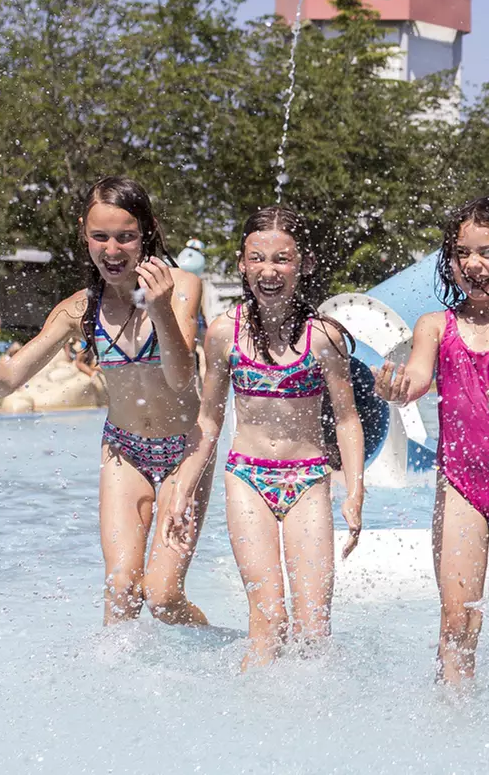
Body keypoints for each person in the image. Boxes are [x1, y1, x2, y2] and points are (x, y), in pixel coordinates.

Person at [0, 176, 210, 626]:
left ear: (146, 232)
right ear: (84, 236)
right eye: (100, 236)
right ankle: (113, 685)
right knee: (122, 588)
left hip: (184, 450)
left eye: (126, 237)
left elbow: (182, 377)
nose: (112, 249)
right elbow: (7, 380)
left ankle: (209, 649)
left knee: (163, 598)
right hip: (125, 452)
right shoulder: (79, 309)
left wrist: (160, 308)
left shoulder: (181, 286)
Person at [163, 206, 366, 671]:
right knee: (269, 619)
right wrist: (182, 488)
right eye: (258, 259)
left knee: (314, 626)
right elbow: (209, 421)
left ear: (304, 264)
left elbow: (348, 419)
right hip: (248, 480)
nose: (269, 271)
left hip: (309, 479)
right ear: (241, 263)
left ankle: (313, 724)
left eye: (282, 259)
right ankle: (249, 725)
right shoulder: (222, 334)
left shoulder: (324, 338)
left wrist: (354, 489)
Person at [377, 197, 489, 683]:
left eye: (487, 253)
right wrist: (397, 389)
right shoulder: (435, 326)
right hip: (459, 485)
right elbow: (417, 377)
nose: (473, 265)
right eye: (462, 254)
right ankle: (453, 725)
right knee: (457, 620)